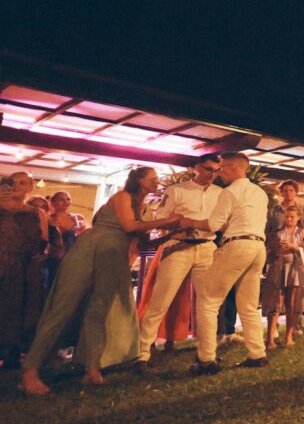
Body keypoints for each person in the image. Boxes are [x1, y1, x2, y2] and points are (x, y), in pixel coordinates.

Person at [20, 168, 182, 394]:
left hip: (114, 257)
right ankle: (30, 370)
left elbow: (139, 245)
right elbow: (128, 226)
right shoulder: (122, 197)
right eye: (152, 178)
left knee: (99, 311)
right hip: (91, 250)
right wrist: (168, 221)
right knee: (63, 306)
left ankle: (92, 369)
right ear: (139, 180)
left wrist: (171, 235)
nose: (157, 181)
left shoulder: (146, 212)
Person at [180, 152, 270, 375]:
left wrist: (188, 221)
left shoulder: (229, 192)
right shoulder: (260, 193)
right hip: (258, 247)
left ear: (230, 167)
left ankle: (206, 359)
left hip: (237, 245)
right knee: (248, 305)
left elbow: (214, 224)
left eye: (221, 169)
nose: (219, 173)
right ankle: (257, 354)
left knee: (208, 301)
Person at [135, 153, 223, 371]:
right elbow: (161, 218)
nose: (212, 174)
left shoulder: (220, 194)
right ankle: (141, 354)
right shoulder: (177, 190)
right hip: (177, 247)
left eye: (216, 170)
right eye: (208, 169)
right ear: (196, 168)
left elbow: (221, 222)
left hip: (206, 247)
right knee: (160, 300)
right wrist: (179, 226)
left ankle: (207, 355)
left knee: (207, 303)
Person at [0, 172, 48, 370]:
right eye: (13, 182)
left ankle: (13, 352)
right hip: (3, 262)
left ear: (30, 187)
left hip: (26, 267)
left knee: (21, 309)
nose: (17, 186)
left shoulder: (36, 213)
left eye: (23, 182)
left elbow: (43, 238)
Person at [262, 207, 304, 348]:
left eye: (292, 217)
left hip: (294, 270)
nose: (289, 219)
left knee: (291, 304)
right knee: (276, 303)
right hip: (279, 270)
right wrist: (276, 250)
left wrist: (295, 248)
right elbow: (268, 251)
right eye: (287, 216)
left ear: (298, 218)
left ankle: (288, 336)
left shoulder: (302, 233)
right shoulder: (277, 234)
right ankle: (269, 338)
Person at [45, 190, 86, 293]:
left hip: (71, 256)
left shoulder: (77, 218)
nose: (66, 202)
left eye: (68, 199)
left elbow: (82, 237)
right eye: (61, 199)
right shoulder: (48, 218)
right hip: (53, 257)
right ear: (53, 202)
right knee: (50, 285)